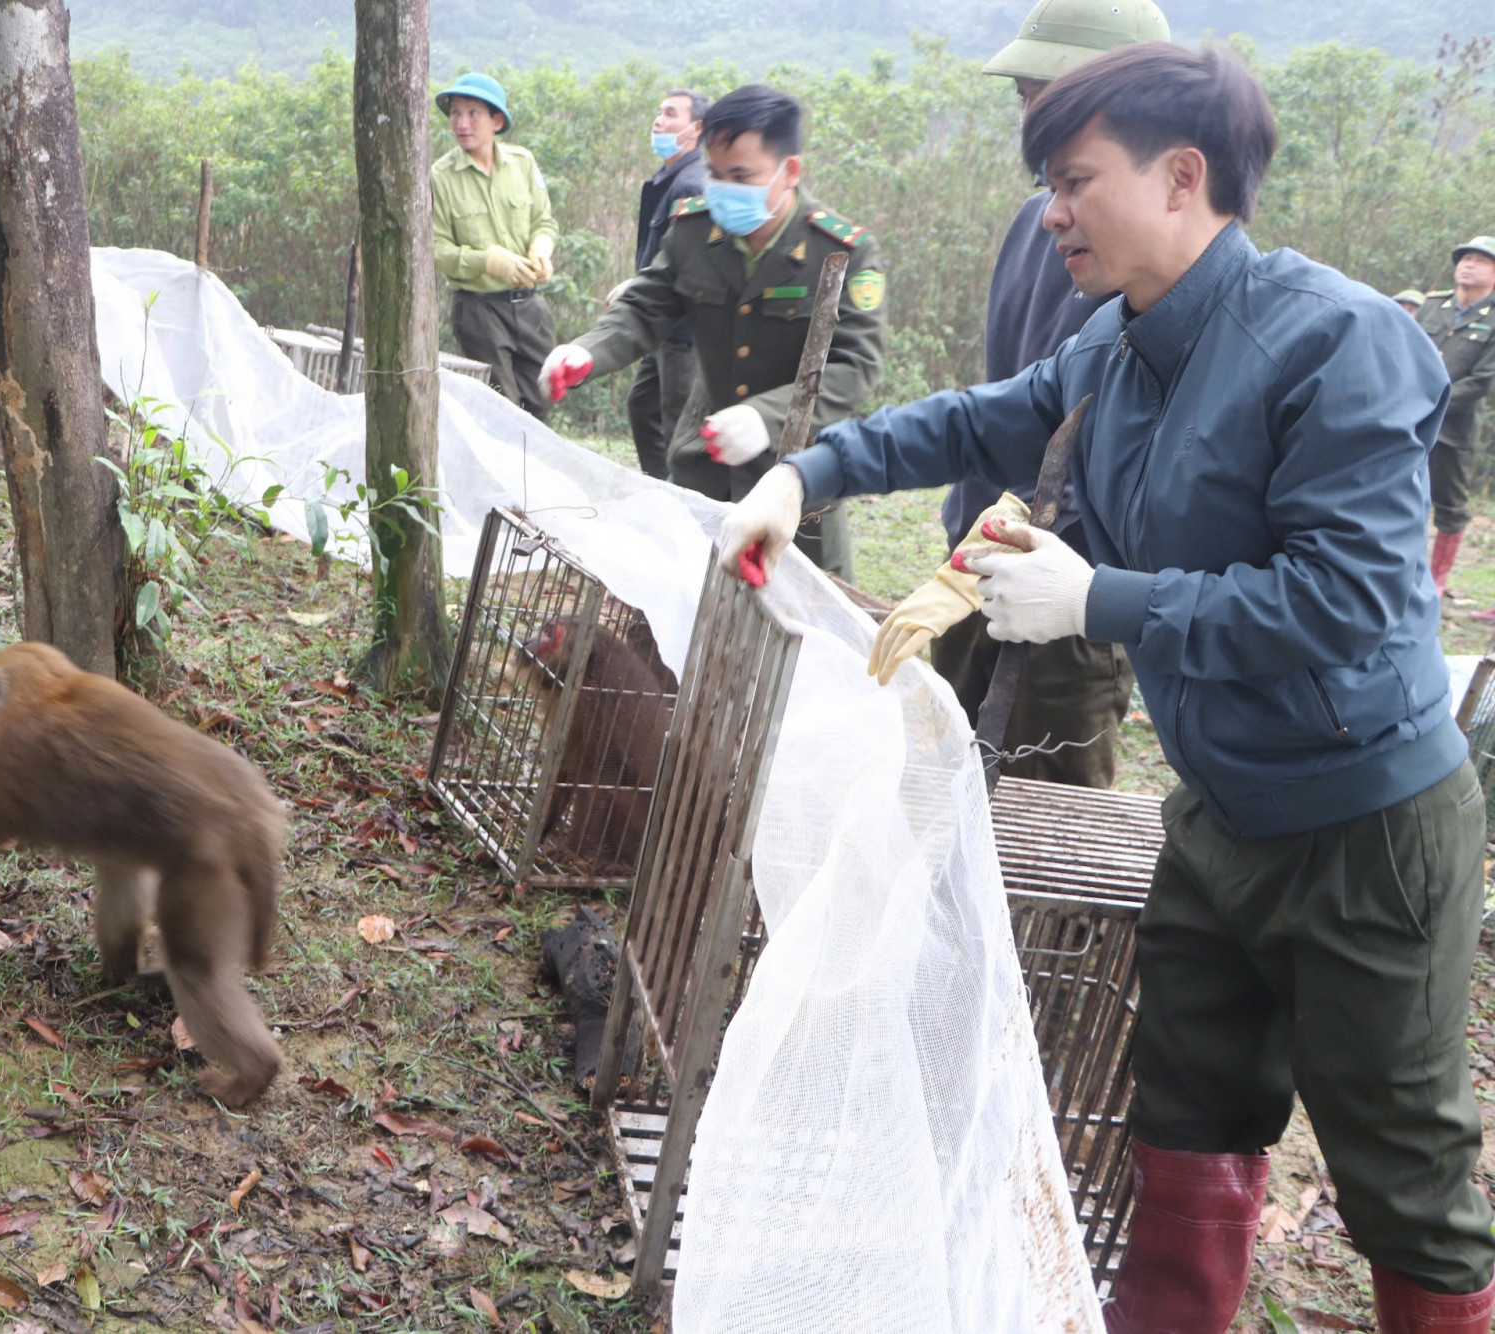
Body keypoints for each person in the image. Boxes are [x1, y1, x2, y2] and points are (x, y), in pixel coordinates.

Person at [718, 44, 1493, 1334]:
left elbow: (1350, 599)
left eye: (1073, 180)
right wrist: (808, 473)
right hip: (1218, 812)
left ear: (1180, 177)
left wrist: (1099, 601)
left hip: (1362, 829)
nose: (1051, 211)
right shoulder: (1114, 342)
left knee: (1400, 1173)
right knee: (1185, 1126)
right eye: (1046, 184)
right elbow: (976, 419)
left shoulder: (1338, 341)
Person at [884, 0, 1167, 790]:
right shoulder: (1031, 223)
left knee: (1048, 825)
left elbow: (1138, 443)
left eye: (1054, 96)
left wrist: (1032, 551)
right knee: (943, 797)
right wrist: (967, 549)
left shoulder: (1167, 260)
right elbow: (1009, 397)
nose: (1035, 120)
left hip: (1072, 588)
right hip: (979, 559)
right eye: (1026, 99)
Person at [536, 84, 885, 579]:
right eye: (715, 175)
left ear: (789, 172)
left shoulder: (842, 251)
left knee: (795, 623)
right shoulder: (695, 230)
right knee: (687, 604)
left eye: (741, 176)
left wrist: (765, 418)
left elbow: (857, 366)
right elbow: (644, 305)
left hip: (799, 486)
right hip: (706, 469)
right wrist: (586, 352)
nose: (722, 190)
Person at [430, 72, 559, 419]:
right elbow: (436, 250)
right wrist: (489, 261)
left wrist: (541, 249)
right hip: (478, 310)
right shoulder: (440, 177)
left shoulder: (522, 163)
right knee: (499, 409)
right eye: (455, 113)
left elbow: (544, 222)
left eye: (473, 113)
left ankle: (533, 473)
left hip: (530, 307)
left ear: (496, 120)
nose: (462, 123)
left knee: (542, 401)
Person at [623, 89, 710, 479]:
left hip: (681, 331)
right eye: (658, 112)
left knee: (678, 424)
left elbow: (687, 264)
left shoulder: (692, 185)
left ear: (696, 129)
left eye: (670, 114)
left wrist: (638, 289)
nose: (658, 120)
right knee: (642, 407)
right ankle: (659, 492)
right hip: (659, 325)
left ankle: (683, 506)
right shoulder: (669, 178)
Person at [1416, 236, 1495, 606]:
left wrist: (1434, 401)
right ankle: (1407, 570)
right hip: (1408, 420)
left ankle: (1437, 579)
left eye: (1481, 260)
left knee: (1450, 504)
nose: (1468, 264)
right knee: (1403, 494)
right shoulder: (1433, 307)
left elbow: (1482, 380)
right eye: (1465, 258)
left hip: (1454, 429)